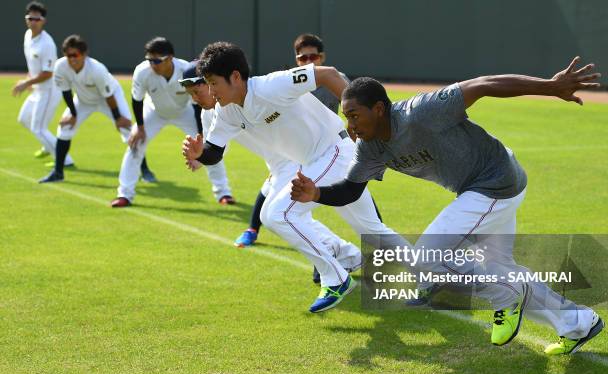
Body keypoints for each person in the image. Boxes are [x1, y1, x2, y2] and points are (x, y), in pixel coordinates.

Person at [290, 57, 604, 354]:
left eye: (355, 115)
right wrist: (316, 194)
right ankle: (578, 323)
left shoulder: (421, 112)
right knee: (501, 271)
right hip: (479, 190)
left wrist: (550, 86)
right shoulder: (370, 149)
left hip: (495, 181)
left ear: (379, 109)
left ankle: (506, 297)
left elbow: (484, 84)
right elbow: (350, 190)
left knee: (428, 258)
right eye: (346, 117)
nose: (351, 124)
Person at [182, 42, 398, 313]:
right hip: (318, 162)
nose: (211, 91)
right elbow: (215, 151)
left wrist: (354, 118)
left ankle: (336, 278)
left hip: (334, 151)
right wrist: (201, 153)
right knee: (373, 232)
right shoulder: (226, 111)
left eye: (214, 83)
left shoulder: (272, 85)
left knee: (276, 214)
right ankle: (435, 275)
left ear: (235, 77)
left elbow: (328, 74)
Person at [234, 33, 383, 265]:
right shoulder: (291, 82)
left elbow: (352, 111)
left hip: (332, 150)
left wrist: (355, 137)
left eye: (313, 56)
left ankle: (351, 257)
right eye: (302, 58)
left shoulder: (332, 79)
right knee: (277, 193)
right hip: (299, 153)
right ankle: (254, 230)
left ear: (322, 57)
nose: (308, 61)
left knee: (357, 205)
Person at [111, 38, 233, 207]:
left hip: (184, 112)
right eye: (149, 60)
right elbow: (136, 100)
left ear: (170, 58)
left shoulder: (186, 70)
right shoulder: (142, 72)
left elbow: (198, 106)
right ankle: (124, 194)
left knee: (208, 146)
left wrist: (202, 137)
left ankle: (223, 192)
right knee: (135, 144)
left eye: (157, 60)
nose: (152, 64)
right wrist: (139, 127)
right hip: (153, 111)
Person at [39, 35, 132, 183]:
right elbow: (66, 91)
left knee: (128, 130)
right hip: (83, 100)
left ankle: (145, 170)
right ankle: (58, 173)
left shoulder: (97, 69)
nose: (72, 59)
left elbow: (108, 96)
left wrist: (118, 118)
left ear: (84, 54)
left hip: (109, 98)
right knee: (64, 129)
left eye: (75, 54)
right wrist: (73, 114)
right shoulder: (60, 66)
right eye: (68, 55)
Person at [13, 1, 73, 167]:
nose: (33, 21)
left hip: (49, 90)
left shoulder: (47, 43)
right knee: (24, 119)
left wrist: (25, 83)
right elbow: (33, 65)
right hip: (37, 89)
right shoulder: (27, 36)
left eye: (36, 19)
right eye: (30, 18)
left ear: (43, 20)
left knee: (38, 129)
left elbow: (48, 73)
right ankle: (48, 145)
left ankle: (65, 161)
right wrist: (29, 79)